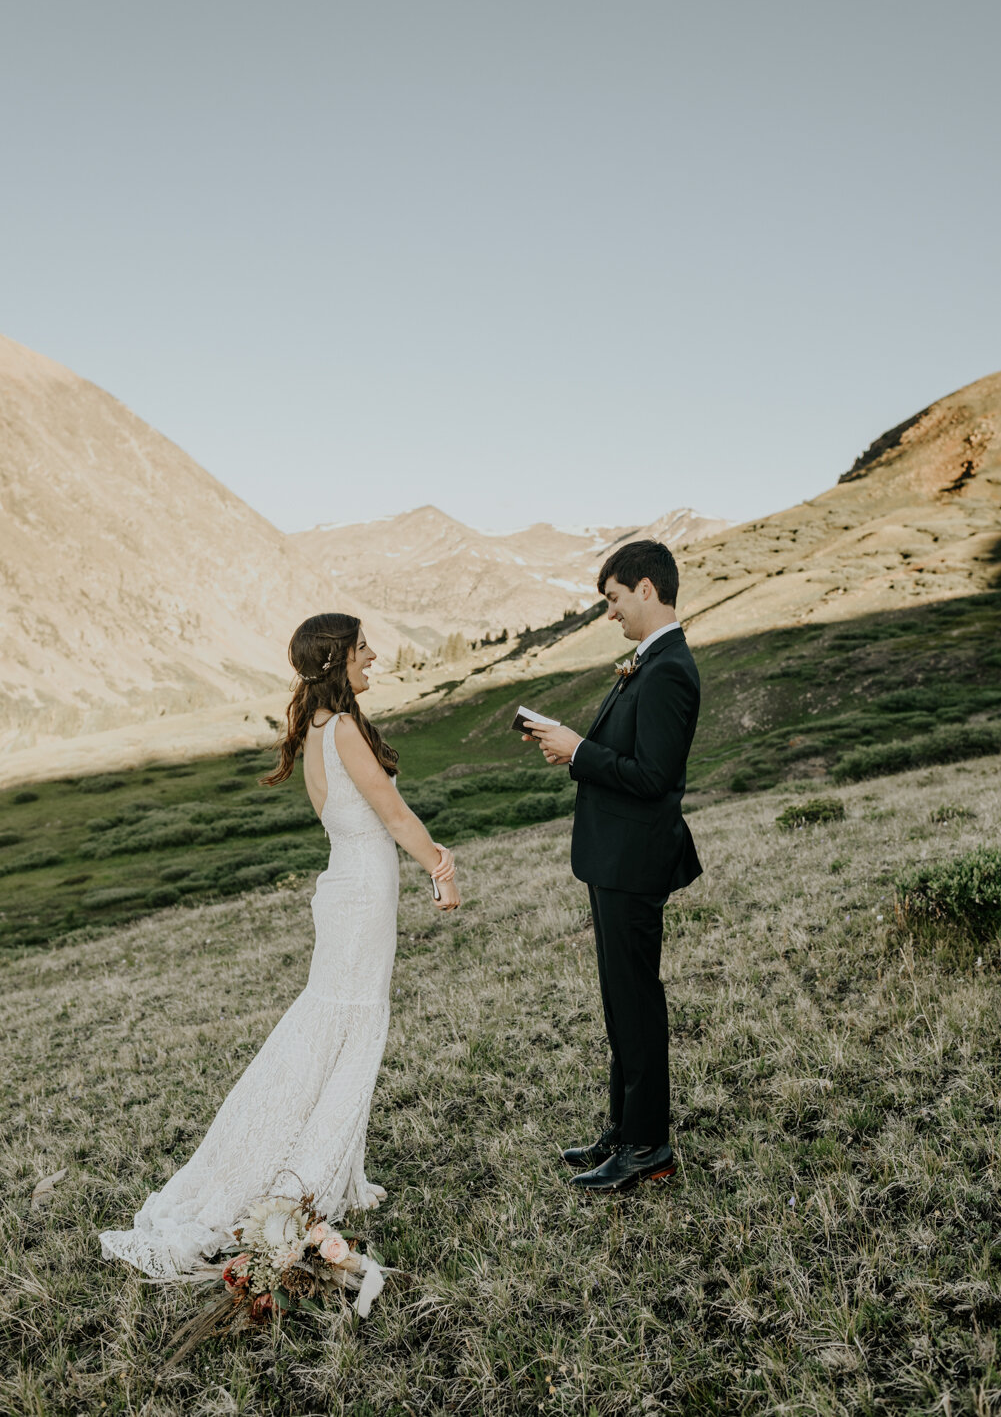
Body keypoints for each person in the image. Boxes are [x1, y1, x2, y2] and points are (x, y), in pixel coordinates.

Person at [100, 613, 459, 1276]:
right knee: (348, 1026)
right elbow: (395, 814)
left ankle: (329, 1168)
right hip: (359, 892)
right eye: (361, 648)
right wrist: (441, 867)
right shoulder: (343, 728)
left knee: (333, 1023)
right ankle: (302, 1179)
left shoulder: (321, 728)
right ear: (337, 660)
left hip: (347, 886)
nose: (373, 655)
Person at [525, 541, 701, 1192]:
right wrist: (572, 748)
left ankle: (648, 1147)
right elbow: (625, 753)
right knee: (618, 999)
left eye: (614, 599)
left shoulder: (669, 670)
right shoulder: (649, 664)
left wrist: (578, 753)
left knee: (635, 1002)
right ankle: (625, 1128)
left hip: (634, 859)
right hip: (612, 856)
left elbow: (654, 776)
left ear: (647, 590)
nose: (610, 614)